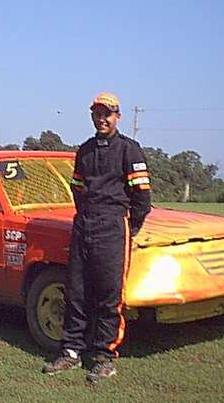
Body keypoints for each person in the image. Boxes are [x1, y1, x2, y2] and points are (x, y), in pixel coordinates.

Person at [42, 92, 152, 383]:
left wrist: (129, 226)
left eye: (107, 114)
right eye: (97, 114)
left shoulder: (130, 150)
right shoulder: (85, 150)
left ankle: (105, 358)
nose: (102, 119)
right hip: (84, 224)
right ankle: (71, 351)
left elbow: (142, 197)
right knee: (75, 291)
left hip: (113, 226)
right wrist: (86, 217)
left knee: (108, 296)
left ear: (118, 117)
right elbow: (77, 189)